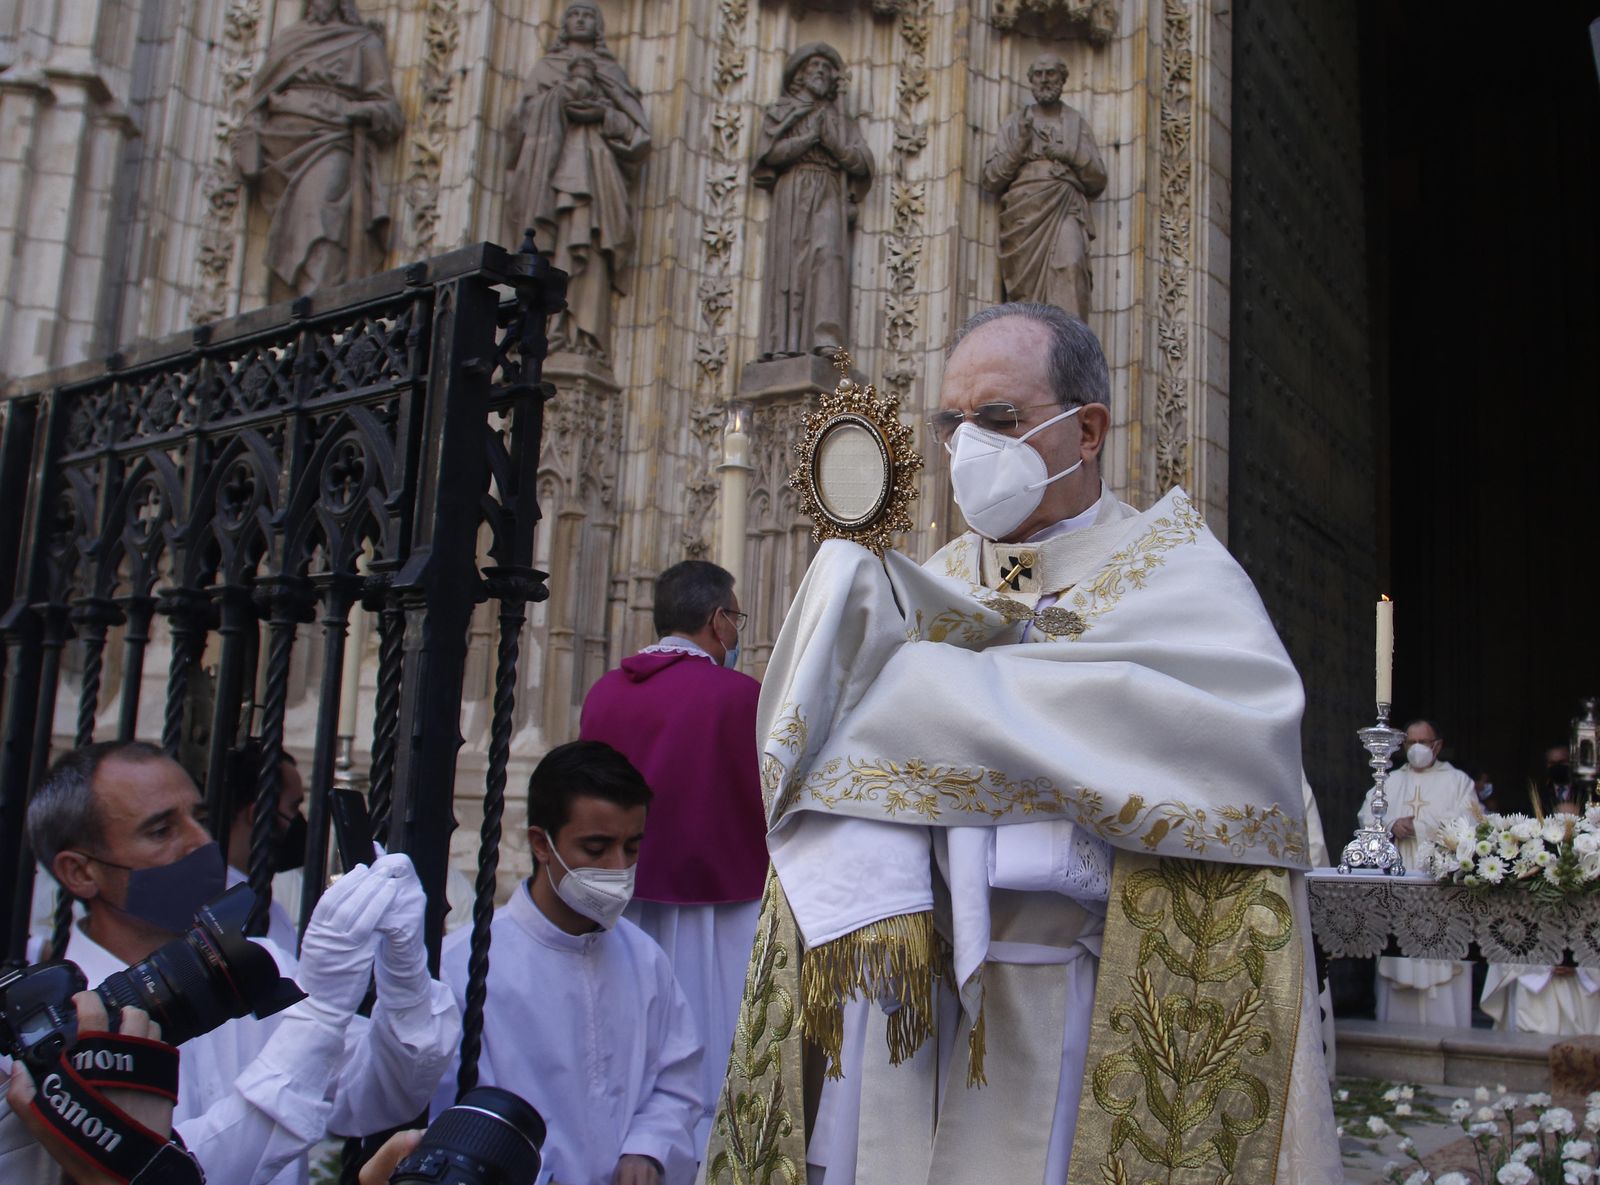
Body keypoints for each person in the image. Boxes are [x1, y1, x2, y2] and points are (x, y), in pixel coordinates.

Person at [703, 303, 1339, 1185]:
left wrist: (940, 709)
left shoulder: (1182, 579)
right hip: (911, 1018)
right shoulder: (922, 586)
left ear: (1088, 430)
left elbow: (1234, 754)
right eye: (951, 421)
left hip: (1080, 1011)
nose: (967, 445)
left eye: (998, 418)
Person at [0, 740, 461, 1185]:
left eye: (199, 819)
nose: (201, 842)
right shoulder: (51, 1034)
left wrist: (405, 974)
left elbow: (381, 1096)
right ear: (80, 871)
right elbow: (172, 1171)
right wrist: (320, 1016)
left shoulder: (253, 964)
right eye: (161, 830)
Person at [433, 741, 702, 1185]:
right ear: (542, 844)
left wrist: (648, 1147)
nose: (618, 867)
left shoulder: (645, 959)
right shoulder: (467, 965)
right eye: (596, 848)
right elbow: (456, 1110)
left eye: (631, 847)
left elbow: (677, 1079)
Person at [578, 560, 765, 1154]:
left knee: (621, 1046)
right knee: (715, 1047)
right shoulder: (742, 698)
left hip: (619, 909)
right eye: (735, 619)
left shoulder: (604, 693)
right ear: (718, 620)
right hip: (720, 909)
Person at [504, 0, 651, 358]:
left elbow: (636, 132)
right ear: (564, 25)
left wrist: (603, 114)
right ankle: (543, 333)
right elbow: (518, 124)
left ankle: (583, 337)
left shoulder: (611, 73)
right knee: (547, 248)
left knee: (590, 246)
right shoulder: (546, 69)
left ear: (598, 26)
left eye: (588, 15)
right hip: (549, 178)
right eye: (574, 15)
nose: (581, 20)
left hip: (596, 174)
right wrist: (557, 99)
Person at [236, 0, 404, 298]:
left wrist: (355, 111)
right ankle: (292, 309)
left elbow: (390, 112)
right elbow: (260, 99)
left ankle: (316, 308)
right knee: (292, 233)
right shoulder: (290, 39)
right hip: (280, 147)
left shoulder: (363, 42)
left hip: (332, 142)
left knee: (322, 219)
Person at [1357, 719, 1481, 1025]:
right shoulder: (1389, 780)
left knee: (1441, 952)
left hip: (1440, 883)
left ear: (1437, 745)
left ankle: (1447, 1028)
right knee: (1399, 951)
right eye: (1410, 743)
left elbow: (1470, 823)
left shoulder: (1458, 781)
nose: (1416, 749)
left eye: (1422, 742)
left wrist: (1420, 826)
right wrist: (1390, 825)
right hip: (1399, 878)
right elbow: (1366, 816)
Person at [753, 42, 873, 359]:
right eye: (814, 67)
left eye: (826, 69)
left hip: (828, 189)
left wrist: (835, 146)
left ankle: (827, 337)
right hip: (792, 190)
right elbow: (770, 154)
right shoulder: (782, 112)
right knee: (790, 265)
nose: (820, 73)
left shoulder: (840, 119)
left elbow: (862, 162)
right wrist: (808, 139)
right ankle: (784, 343)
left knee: (828, 256)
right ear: (800, 75)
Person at [981, 55, 1107, 320]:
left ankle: (1069, 342)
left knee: (1071, 262)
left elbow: (1097, 178)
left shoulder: (1075, 124)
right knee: (1026, 299)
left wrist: (1070, 155)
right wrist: (1019, 147)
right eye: (1038, 74)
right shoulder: (1016, 124)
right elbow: (991, 178)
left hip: (1064, 207)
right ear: (1030, 80)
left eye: (1051, 73)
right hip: (1024, 216)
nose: (1044, 80)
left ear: (1062, 79)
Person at [224, 740, 305, 952]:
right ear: (258, 815)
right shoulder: (226, 904)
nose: (299, 820)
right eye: (294, 807)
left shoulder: (256, 895)